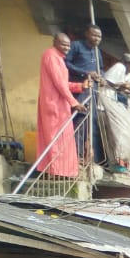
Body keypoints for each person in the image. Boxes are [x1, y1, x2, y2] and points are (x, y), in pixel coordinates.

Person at [35, 34, 87, 178]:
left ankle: (64, 171)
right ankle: (55, 172)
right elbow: (59, 84)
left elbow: (63, 84)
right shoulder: (51, 56)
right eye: (64, 44)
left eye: (68, 45)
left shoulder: (59, 59)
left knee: (64, 138)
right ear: (55, 42)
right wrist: (74, 102)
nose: (67, 48)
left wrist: (80, 86)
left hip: (60, 103)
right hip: (53, 103)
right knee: (55, 139)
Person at [64, 25, 103, 163]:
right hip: (78, 89)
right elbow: (66, 63)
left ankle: (82, 155)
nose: (97, 39)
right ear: (87, 34)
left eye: (99, 37)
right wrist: (85, 73)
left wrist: (101, 78)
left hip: (92, 91)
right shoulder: (76, 46)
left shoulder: (97, 52)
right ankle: (75, 155)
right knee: (78, 120)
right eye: (94, 35)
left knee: (88, 123)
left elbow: (101, 70)